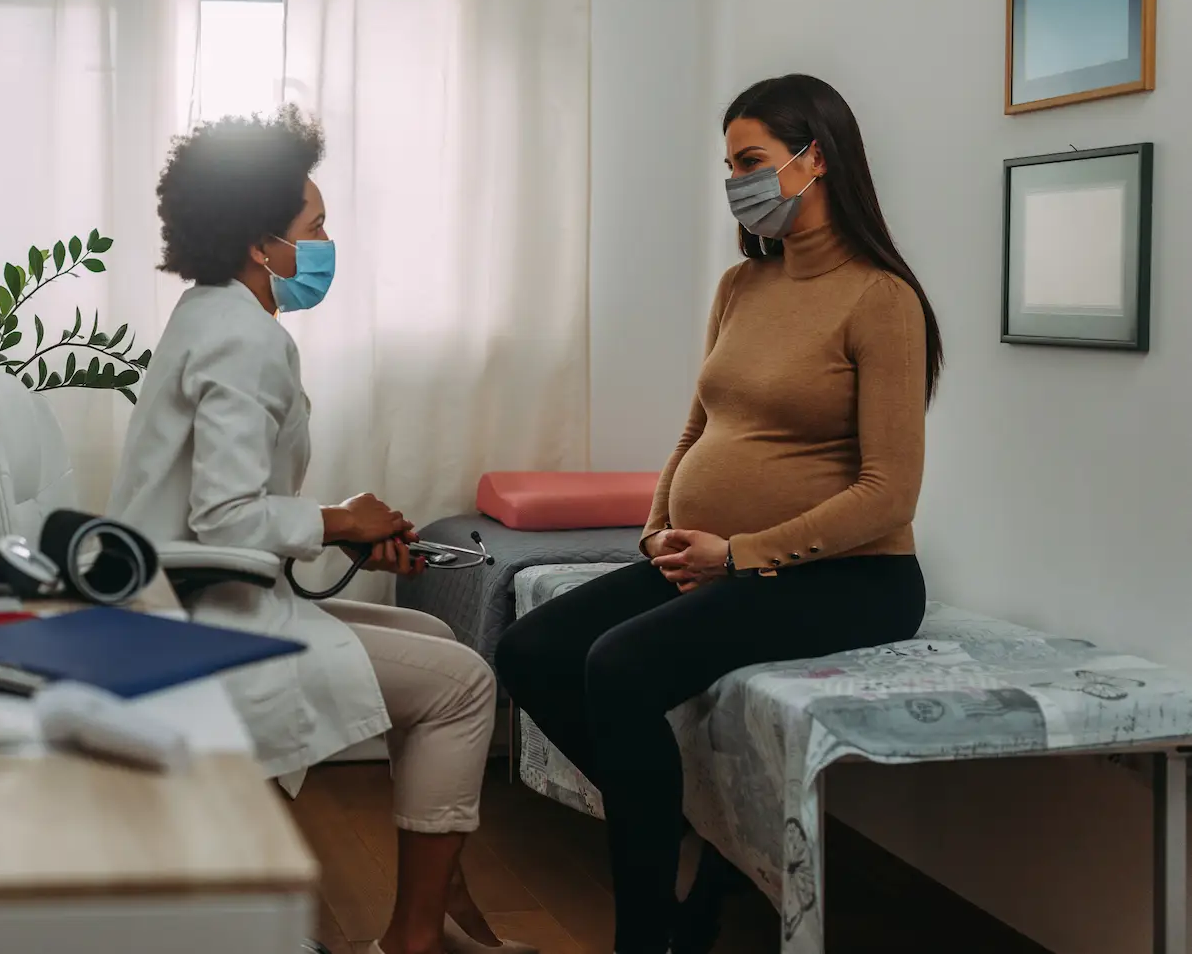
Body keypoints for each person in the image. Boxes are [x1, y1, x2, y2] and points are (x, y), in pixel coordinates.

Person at [494, 74, 941, 954]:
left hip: (852, 578)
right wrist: (657, 526)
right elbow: (700, 423)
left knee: (619, 667)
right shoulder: (744, 285)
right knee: (530, 648)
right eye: (728, 163)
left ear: (815, 160)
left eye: (751, 161)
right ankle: (688, 837)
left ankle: (647, 933)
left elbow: (891, 492)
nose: (734, 180)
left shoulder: (880, 298)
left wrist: (738, 554)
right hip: (716, 558)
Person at [109, 109, 529, 954]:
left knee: (436, 634)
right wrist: (339, 519)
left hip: (186, 593)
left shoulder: (211, 314)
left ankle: (452, 916)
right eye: (316, 227)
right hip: (200, 616)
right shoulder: (243, 339)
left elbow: (226, 499)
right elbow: (223, 517)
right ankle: (413, 941)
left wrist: (340, 528)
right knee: (462, 686)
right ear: (261, 245)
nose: (327, 242)